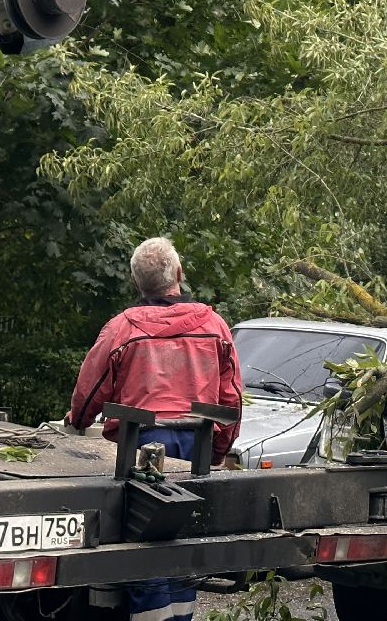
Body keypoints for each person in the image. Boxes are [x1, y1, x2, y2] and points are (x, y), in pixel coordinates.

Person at [68, 237, 242, 621]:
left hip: (143, 447)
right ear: (179, 273)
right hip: (195, 446)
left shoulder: (122, 329)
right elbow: (231, 399)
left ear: (137, 283)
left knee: (145, 542)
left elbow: (91, 387)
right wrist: (218, 449)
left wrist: (77, 421)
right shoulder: (214, 326)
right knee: (182, 539)